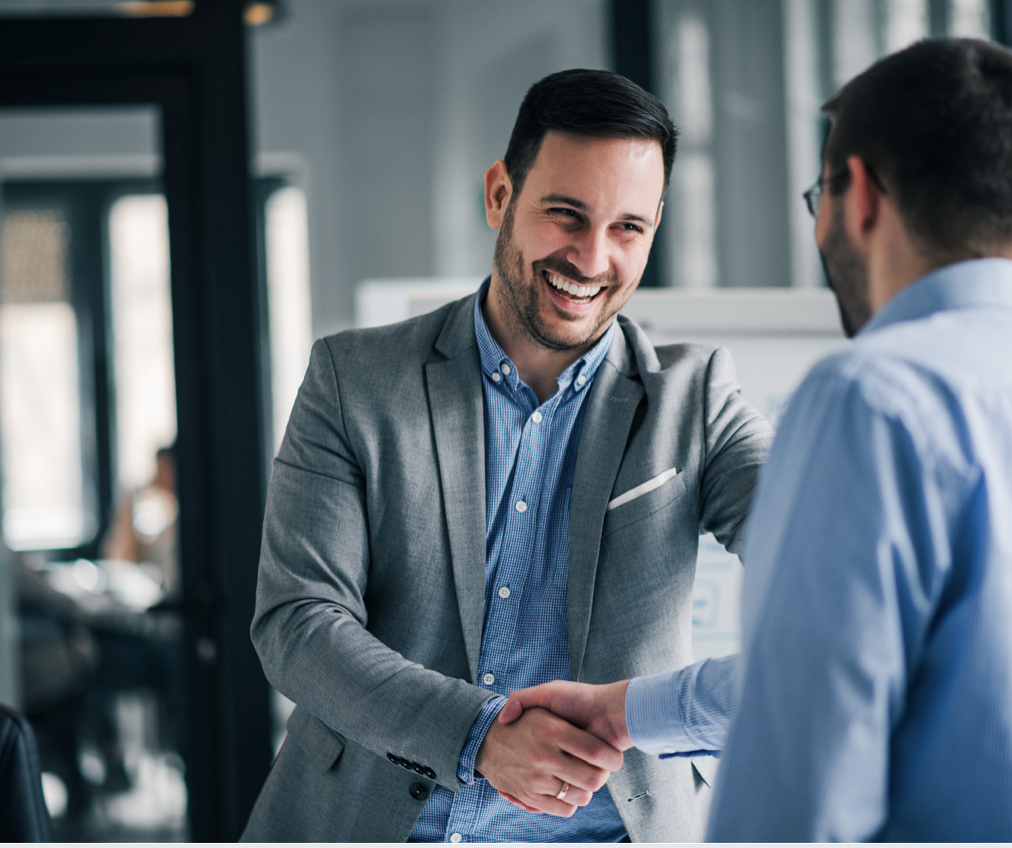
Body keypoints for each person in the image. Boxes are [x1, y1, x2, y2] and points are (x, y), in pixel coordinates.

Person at [240, 69, 772, 843]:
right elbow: (298, 623)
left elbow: (834, 579)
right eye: (566, 214)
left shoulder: (696, 400)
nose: (592, 259)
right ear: (500, 195)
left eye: (629, 228)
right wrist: (479, 735)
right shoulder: (353, 381)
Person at [501, 37, 1012, 842]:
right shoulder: (358, 376)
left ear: (861, 199)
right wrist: (624, 710)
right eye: (566, 213)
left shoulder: (874, 398)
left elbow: (804, 740)